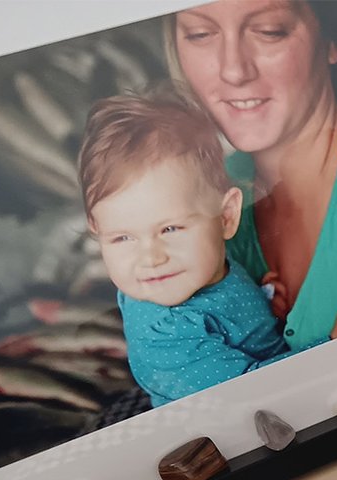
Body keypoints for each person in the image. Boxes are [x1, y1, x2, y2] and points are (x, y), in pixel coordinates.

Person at [170, 0, 337, 352]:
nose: (233, 70)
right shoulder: (211, 189)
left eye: (269, 31)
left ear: (332, 40)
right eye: (200, 34)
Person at [78, 87, 300, 406]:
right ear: (97, 231)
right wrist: (336, 342)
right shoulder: (165, 336)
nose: (151, 258)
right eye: (122, 238)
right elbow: (256, 394)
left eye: (170, 229)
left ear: (225, 217)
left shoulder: (206, 267)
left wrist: (262, 301)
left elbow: (223, 310)